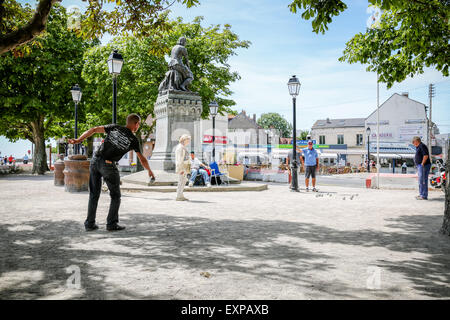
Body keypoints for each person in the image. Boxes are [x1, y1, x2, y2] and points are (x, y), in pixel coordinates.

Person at [68, 114, 155, 232]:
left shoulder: (114, 127)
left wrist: (79, 140)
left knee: (94, 194)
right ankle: (111, 223)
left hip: (95, 161)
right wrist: (149, 171)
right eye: (138, 124)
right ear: (136, 124)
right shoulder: (133, 140)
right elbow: (142, 159)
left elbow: (93, 129)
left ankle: (89, 223)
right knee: (115, 195)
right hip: (108, 165)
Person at [412, 136, 431, 200]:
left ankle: (424, 195)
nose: (413, 143)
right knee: (420, 181)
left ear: (416, 141)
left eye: (413, 142)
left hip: (423, 166)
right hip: (420, 166)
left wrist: (422, 163)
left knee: (423, 181)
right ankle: (421, 194)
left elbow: (425, 155)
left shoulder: (422, 146)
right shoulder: (418, 147)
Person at [175, 134, 191, 201]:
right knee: (181, 181)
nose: (189, 142)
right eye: (188, 140)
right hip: (182, 167)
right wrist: (181, 169)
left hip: (184, 167)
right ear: (184, 140)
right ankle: (179, 196)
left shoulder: (182, 147)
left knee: (183, 181)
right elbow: (179, 159)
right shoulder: (180, 147)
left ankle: (181, 195)